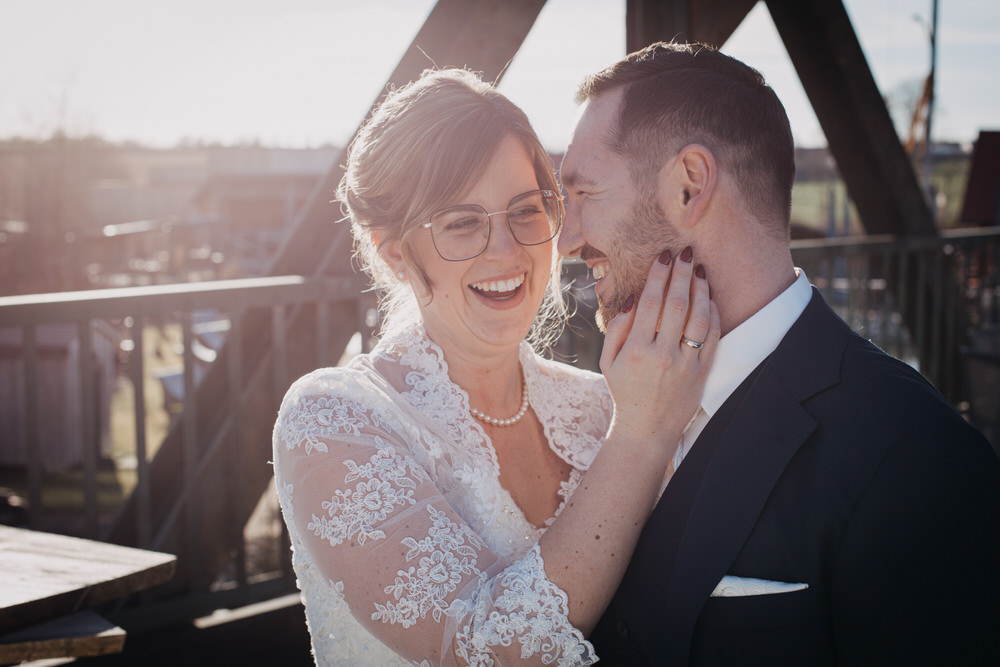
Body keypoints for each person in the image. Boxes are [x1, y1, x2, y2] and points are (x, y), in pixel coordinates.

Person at [558, 41, 1000, 665]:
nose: (567, 239)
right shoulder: (597, 403)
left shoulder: (915, 456)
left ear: (689, 185)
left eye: (584, 194)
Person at [271, 67, 719, 665]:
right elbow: (481, 651)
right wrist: (641, 437)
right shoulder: (334, 420)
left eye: (526, 211)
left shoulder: (604, 406)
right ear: (396, 253)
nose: (506, 250)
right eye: (461, 223)